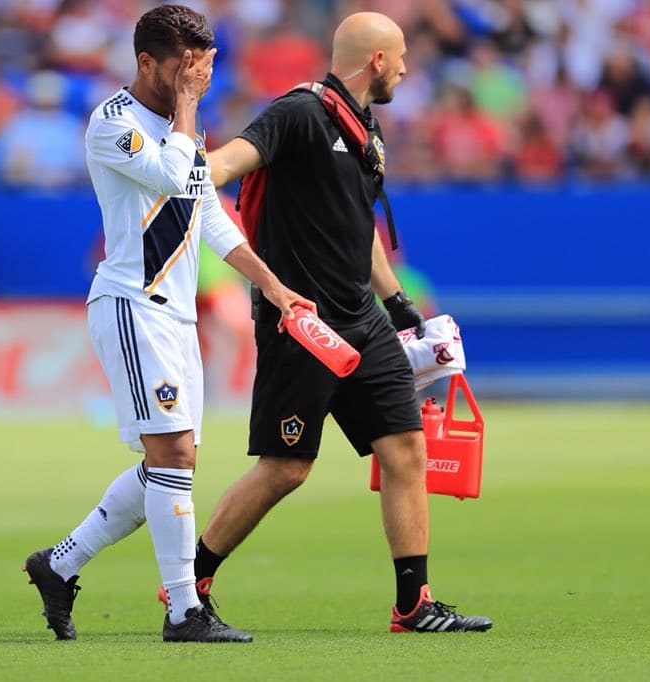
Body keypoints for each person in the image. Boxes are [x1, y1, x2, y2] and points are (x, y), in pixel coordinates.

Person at [187, 11, 492, 633]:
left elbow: (361, 228)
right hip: (303, 325)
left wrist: (397, 302)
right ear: (376, 60)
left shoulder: (365, 129)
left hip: (362, 318)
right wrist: (190, 159)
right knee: (286, 468)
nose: (405, 68)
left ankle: (414, 604)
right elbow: (225, 164)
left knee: (406, 446)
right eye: (399, 56)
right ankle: (187, 583)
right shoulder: (299, 113)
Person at [23, 4, 313, 643]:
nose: (195, 79)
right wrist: (187, 106)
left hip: (178, 316)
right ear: (146, 61)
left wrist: (270, 285)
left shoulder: (186, 126)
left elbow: (206, 212)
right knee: (173, 454)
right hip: (132, 304)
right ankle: (185, 610)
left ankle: (59, 564)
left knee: (170, 464)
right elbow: (170, 173)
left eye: (201, 68)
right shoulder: (112, 122)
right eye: (184, 68)